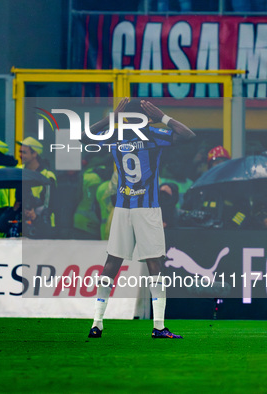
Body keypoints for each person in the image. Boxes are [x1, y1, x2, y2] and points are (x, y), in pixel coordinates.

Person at [86, 98, 195, 339]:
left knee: (112, 263)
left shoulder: (115, 134)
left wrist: (112, 117)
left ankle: (97, 323)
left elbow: (84, 137)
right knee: (154, 263)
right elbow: (188, 136)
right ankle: (158, 326)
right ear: (146, 117)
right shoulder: (152, 134)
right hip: (147, 208)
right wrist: (162, 116)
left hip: (123, 208)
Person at [18, 137, 57, 229]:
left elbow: (50, 204)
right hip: (21, 222)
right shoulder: (18, 171)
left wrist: (34, 214)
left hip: (41, 224)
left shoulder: (47, 175)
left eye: (24, 152)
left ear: (34, 154)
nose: (20, 155)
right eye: (20, 152)